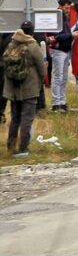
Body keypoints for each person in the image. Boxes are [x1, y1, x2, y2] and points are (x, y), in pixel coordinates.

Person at [3, 22, 46, 157]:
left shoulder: (12, 44)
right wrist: (40, 81)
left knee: (15, 118)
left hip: (13, 89)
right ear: (32, 32)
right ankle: (23, 148)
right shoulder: (33, 45)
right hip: (29, 87)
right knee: (27, 118)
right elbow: (42, 68)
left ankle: (11, 146)